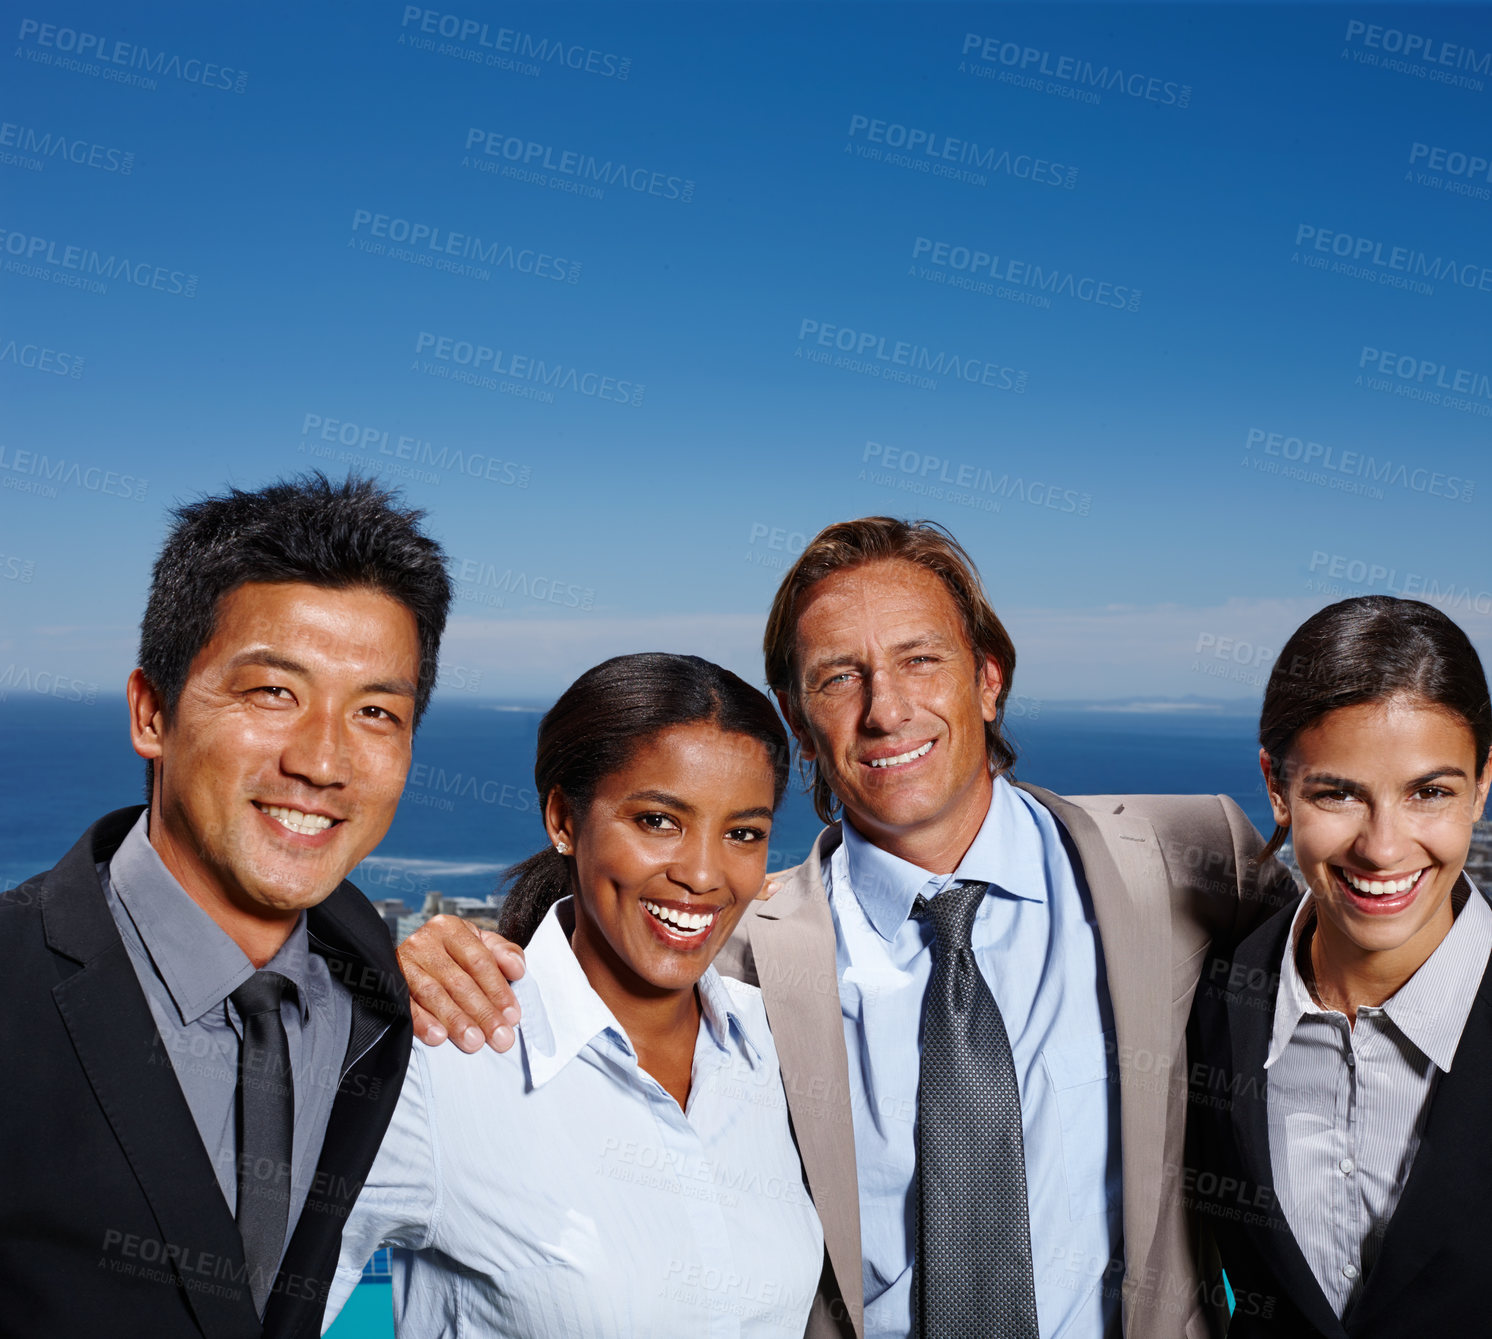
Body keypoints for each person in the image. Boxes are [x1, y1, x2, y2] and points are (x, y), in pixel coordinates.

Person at [402, 516, 1297, 1339]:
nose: (886, 708)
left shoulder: (1187, 854)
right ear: (797, 719)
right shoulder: (734, 952)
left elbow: (1355, 983)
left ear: (988, 678)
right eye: (839, 676)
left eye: (920, 661)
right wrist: (414, 961)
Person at [0, 473, 464, 1338]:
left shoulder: (378, 999)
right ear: (151, 711)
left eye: (375, 710)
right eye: (272, 693)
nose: (323, 762)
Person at [322, 653, 824, 1336]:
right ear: (563, 817)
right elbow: (250, 1295)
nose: (704, 873)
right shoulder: (444, 1062)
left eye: (743, 833)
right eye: (657, 820)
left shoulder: (776, 1050)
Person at [1186, 596, 1492, 1337]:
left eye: (1431, 791)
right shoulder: (1215, 1008)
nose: (1383, 848)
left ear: (1483, 784)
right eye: (1337, 793)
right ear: (1276, 788)